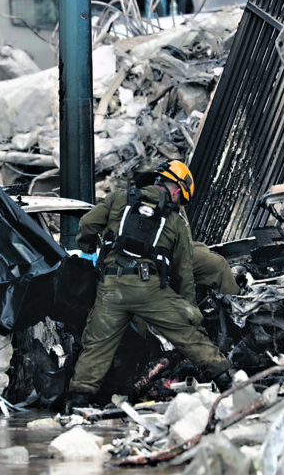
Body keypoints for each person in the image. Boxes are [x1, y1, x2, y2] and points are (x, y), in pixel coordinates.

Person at [65, 159, 233, 410]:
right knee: (189, 336)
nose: (180, 203)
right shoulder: (174, 220)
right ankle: (228, 386)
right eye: (182, 199)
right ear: (177, 189)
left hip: (111, 287)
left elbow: (88, 225)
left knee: (97, 347)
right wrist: (190, 311)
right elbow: (184, 270)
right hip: (149, 289)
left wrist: (87, 246)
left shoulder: (119, 199)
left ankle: (77, 401)